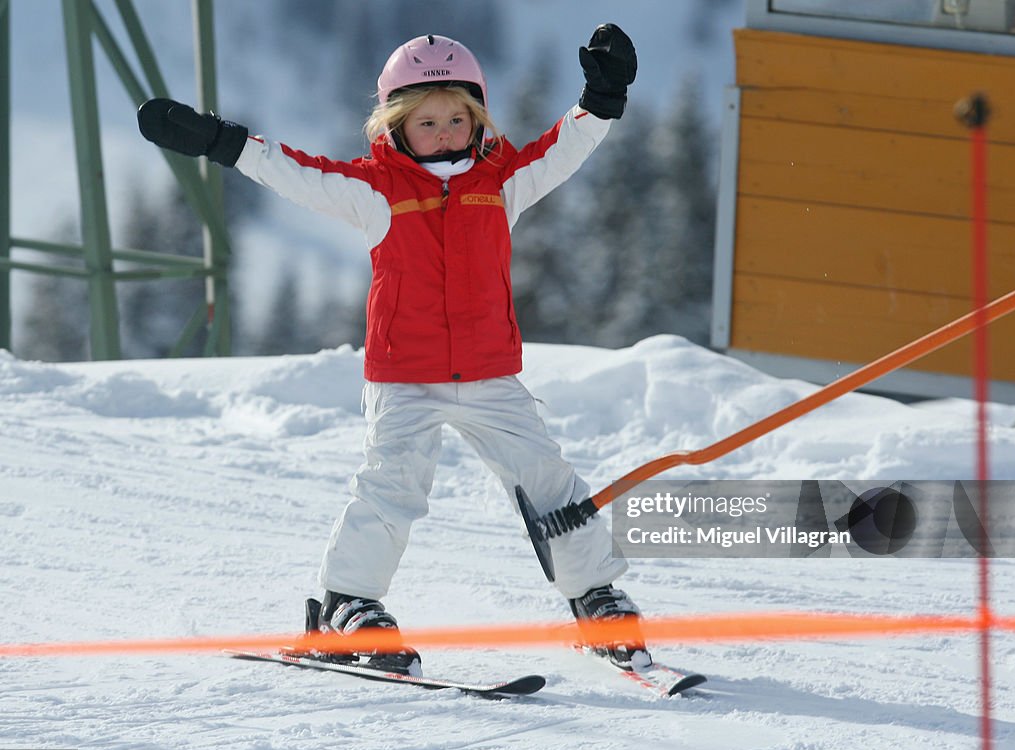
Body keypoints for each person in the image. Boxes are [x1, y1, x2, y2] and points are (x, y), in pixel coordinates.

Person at [138, 24, 645, 675]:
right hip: (405, 378)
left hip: (491, 376)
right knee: (392, 487)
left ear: (477, 119)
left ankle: (593, 593)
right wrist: (220, 141)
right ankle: (347, 606)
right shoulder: (376, 189)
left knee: (550, 483)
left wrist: (600, 100)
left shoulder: (501, 181)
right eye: (426, 122)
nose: (443, 133)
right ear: (394, 126)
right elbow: (298, 173)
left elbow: (561, 148)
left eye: (457, 119)